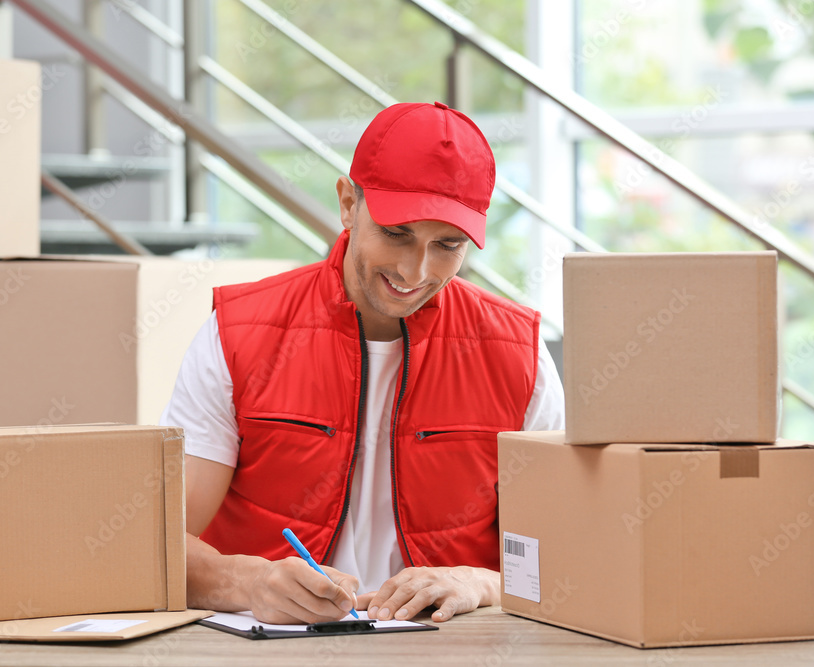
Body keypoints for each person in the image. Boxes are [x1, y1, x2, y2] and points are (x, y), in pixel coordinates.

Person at [160, 101, 564, 626]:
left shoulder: (521, 353)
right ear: (349, 204)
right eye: (396, 234)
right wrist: (250, 580)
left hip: (455, 651)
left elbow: (570, 556)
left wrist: (479, 581)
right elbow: (160, 544)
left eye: (448, 244)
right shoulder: (236, 333)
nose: (415, 270)